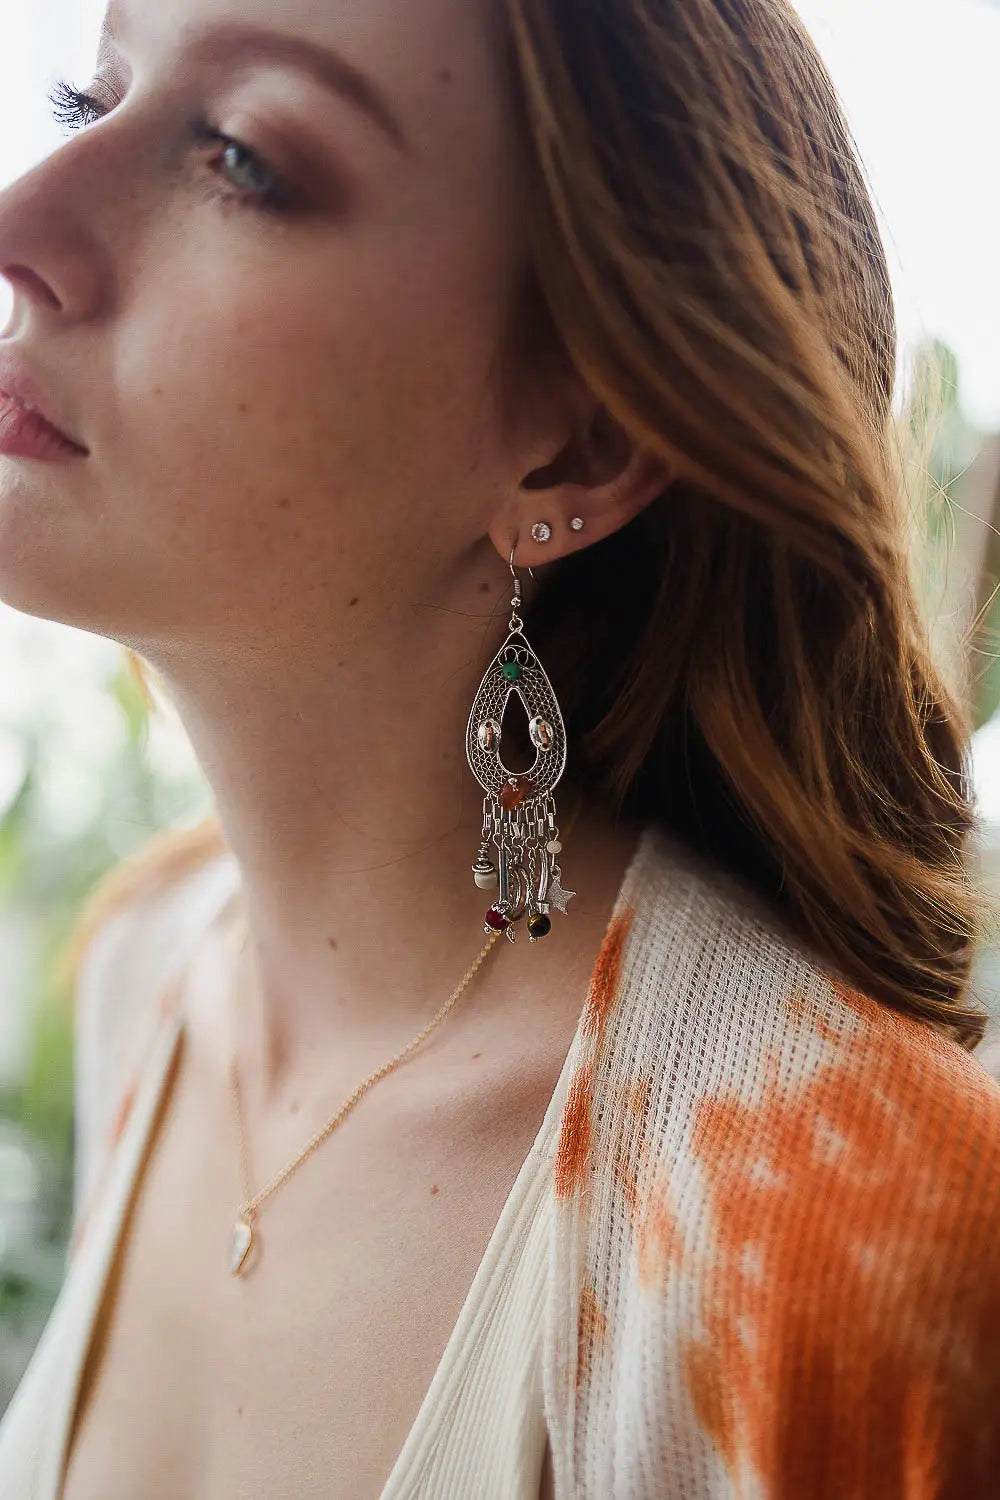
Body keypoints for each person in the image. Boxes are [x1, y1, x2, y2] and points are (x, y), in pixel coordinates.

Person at [0, 0, 998, 1495]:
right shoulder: (152, 965)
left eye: (244, 157)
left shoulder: (836, 1243)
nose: (23, 220)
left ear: (575, 446)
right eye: (93, 97)